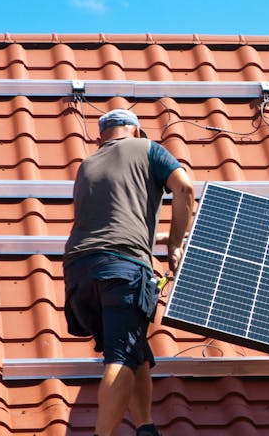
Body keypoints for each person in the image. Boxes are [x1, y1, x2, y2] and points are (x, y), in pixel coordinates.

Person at [63, 109, 194, 436]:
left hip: (79, 273)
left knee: (135, 350)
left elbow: (111, 226)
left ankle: (145, 426)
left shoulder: (86, 165)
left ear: (100, 138)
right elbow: (185, 189)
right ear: (136, 131)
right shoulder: (148, 149)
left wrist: (157, 238)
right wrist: (175, 243)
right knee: (121, 357)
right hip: (122, 270)